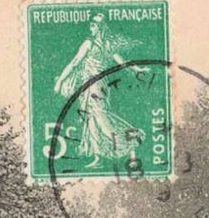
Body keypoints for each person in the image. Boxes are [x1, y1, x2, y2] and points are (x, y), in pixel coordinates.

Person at [54, 16, 145, 168]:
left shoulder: (92, 44)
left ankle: (132, 139)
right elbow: (120, 62)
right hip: (91, 86)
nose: (92, 26)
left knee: (103, 121)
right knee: (91, 121)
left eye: (95, 24)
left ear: (101, 27)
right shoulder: (101, 44)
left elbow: (75, 62)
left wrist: (60, 81)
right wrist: (136, 69)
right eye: (91, 24)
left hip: (96, 86)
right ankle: (98, 158)